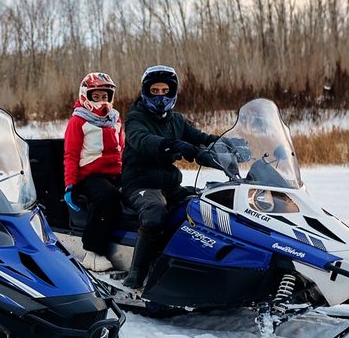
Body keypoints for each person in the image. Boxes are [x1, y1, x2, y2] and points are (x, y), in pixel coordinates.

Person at [121, 65, 250, 288]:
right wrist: (171, 144)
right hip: (140, 183)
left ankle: (196, 266)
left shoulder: (177, 120)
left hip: (169, 184)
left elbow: (200, 138)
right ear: (145, 91)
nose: (160, 96)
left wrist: (228, 144)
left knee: (206, 204)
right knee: (154, 212)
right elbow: (142, 140)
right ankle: (136, 274)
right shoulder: (135, 118)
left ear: (173, 92)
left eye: (165, 90)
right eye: (155, 90)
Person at [62, 72, 123, 272]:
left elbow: (122, 148)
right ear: (85, 97)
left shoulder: (115, 120)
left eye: (105, 96)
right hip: (89, 175)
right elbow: (70, 155)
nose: (101, 101)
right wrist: (70, 185)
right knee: (107, 196)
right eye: (95, 97)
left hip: (115, 173)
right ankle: (93, 252)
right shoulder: (78, 121)